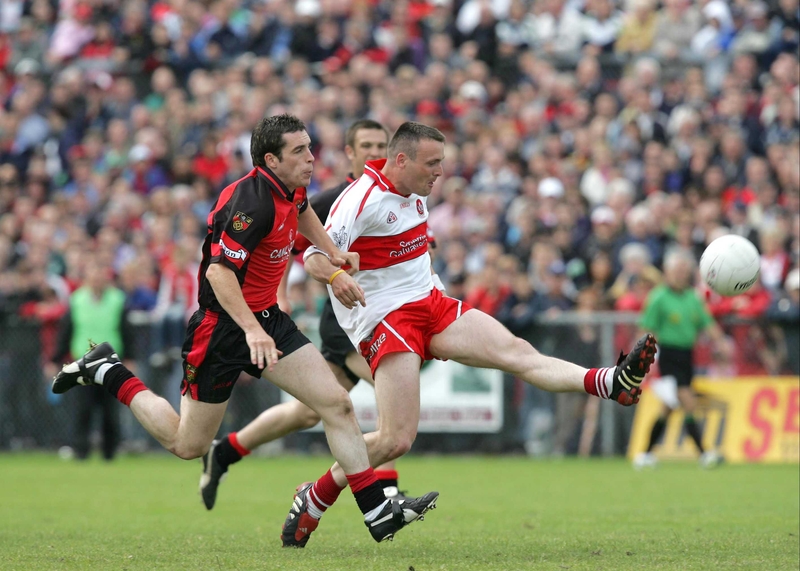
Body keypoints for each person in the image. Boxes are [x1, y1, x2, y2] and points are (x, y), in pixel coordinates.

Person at [50, 114, 438, 546]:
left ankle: (376, 510)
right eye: (299, 151)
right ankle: (107, 370)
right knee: (187, 444)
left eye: (309, 148)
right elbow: (218, 274)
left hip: (267, 318)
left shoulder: (291, 186)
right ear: (271, 160)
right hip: (221, 329)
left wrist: (332, 251)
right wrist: (252, 331)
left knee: (337, 405)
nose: (311, 158)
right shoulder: (250, 203)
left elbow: (303, 211)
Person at [288, 121, 658, 547]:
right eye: (432, 163)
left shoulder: (416, 190)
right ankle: (313, 497)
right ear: (401, 160)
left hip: (431, 304)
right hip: (388, 321)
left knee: (517, 352)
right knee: (395, 440)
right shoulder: (360, 198)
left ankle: (611, 382)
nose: (439, 172)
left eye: (441, 162)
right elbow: (313, 256)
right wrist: (336, 275)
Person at [199, 119, 430, 510]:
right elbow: (287, 247)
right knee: (392, 388)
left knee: (308, 413)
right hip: (352, 319)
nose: (376, 153)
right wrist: (281, 294)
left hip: (384, 313)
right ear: (350, 153)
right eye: (367, 146)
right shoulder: (332, 198)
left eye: (382, 145)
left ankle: (226, 450)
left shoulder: (401, 196)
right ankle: (385, 489)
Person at [632, 249, 729, 469]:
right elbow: (646, 328)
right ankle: (704, 453)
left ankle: (644, 454)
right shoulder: (659, 297)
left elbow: (707, 323)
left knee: (668, 407)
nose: (680, 275)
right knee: (688, 401)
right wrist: (645, 358)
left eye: (684, 271)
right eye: (677, 270)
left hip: (686, 356)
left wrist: (722, 342)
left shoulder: (693, 298)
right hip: (668, 355)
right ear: (667, 272)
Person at [48, 260, 130, 460]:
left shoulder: (117, 299)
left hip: (111, 363)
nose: (97, 279)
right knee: (82, 409)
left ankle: (110, 452)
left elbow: (126, 331)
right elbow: (66, 331)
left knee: (110, 411)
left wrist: (130, 357)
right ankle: (80, 450)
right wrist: (55, 359)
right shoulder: (77, 300)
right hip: (83, 362)